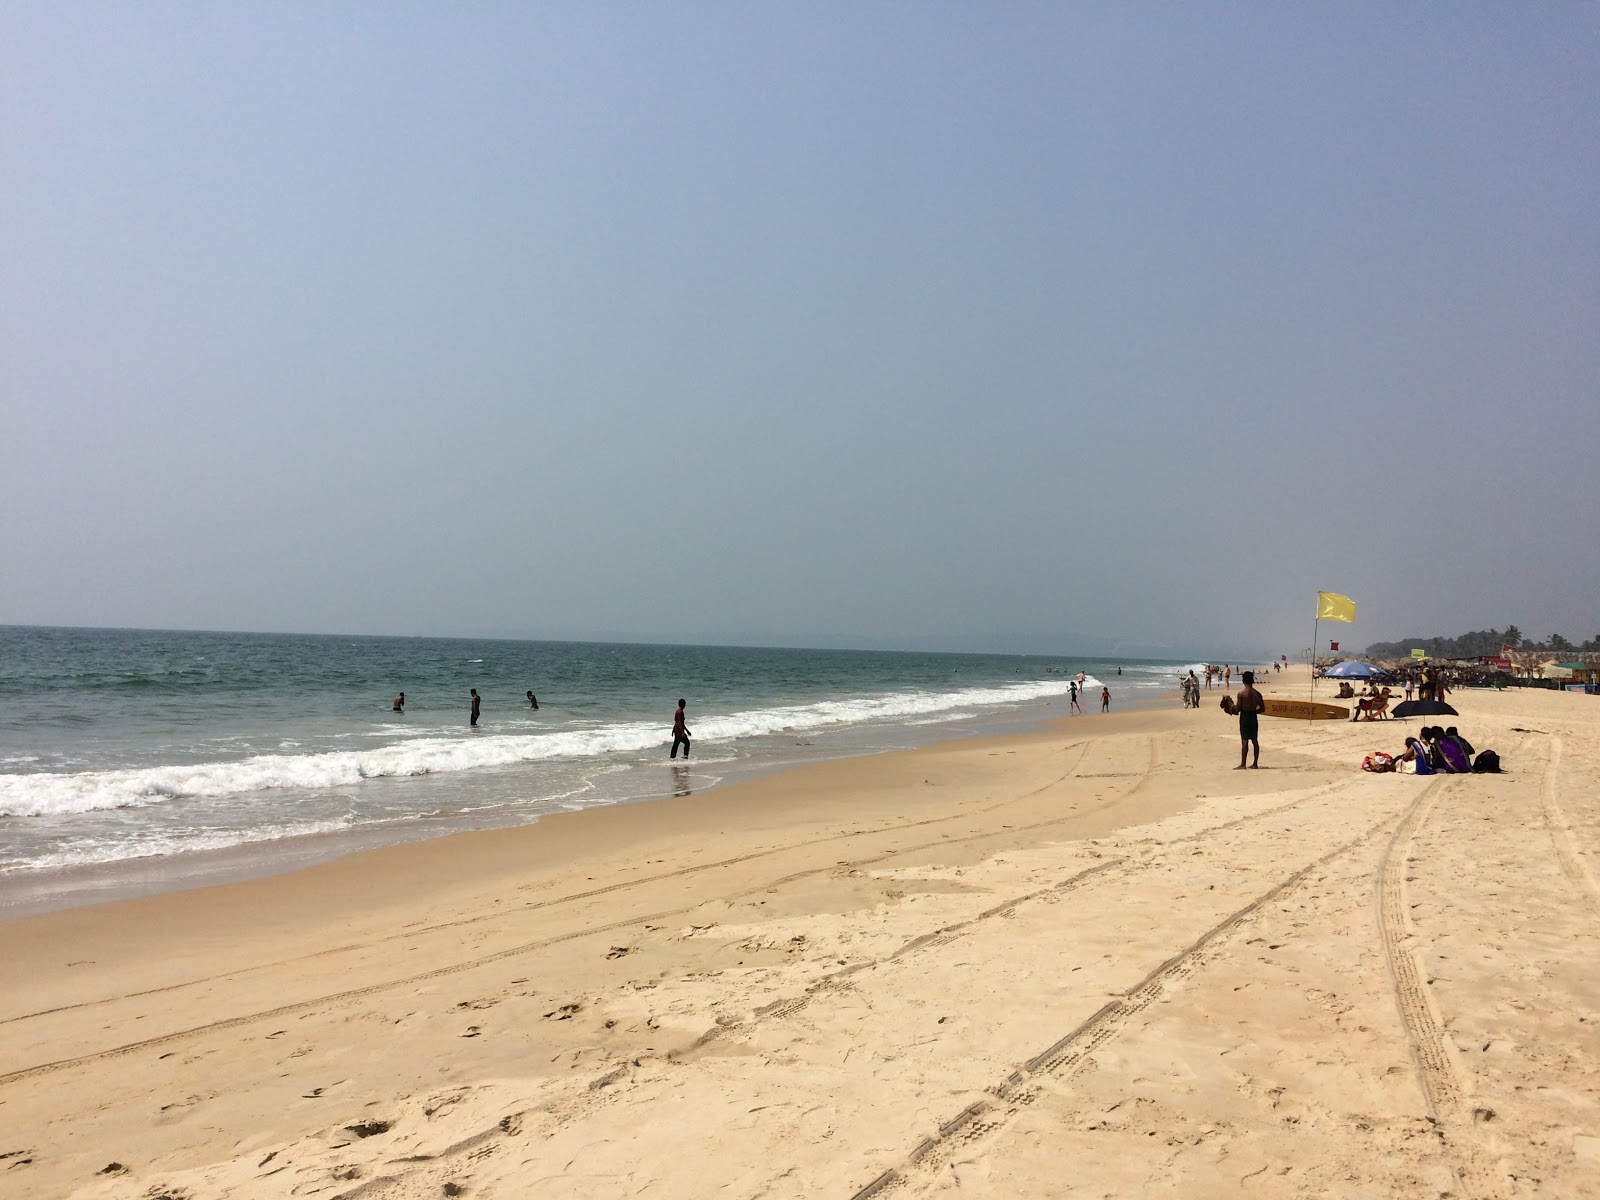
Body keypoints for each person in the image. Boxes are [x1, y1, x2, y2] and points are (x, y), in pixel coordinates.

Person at [1228, 670, 1265, 769]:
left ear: (1243, 681)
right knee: (1254, 740)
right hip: (1253, 716)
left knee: (1244, 740)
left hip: (1244, 717)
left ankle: (1243, 764)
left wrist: (1231, 706)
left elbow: (1238, 709)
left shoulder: (1241, 694)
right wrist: (1254, 712)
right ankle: (1255, 763)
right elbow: (1262, 709)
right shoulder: (1257, 694)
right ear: (1252, 681)